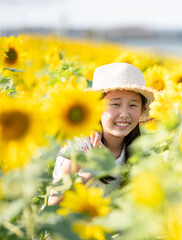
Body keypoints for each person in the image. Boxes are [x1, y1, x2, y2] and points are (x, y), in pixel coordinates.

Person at [48, 62, 155, 205]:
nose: (124, 114)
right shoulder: (80, 145)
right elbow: (54, 199)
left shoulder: (139, 152)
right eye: (115, 104)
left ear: (142, 110)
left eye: (133, 105)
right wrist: (95, 167)